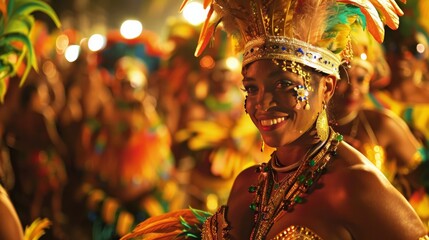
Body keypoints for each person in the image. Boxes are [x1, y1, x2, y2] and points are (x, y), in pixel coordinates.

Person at [122, 0, 428, 239]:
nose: (263, 104)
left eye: (284, 84)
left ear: (327, 88)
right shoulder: (248, 185)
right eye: (252, 89)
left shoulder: (355, 184)